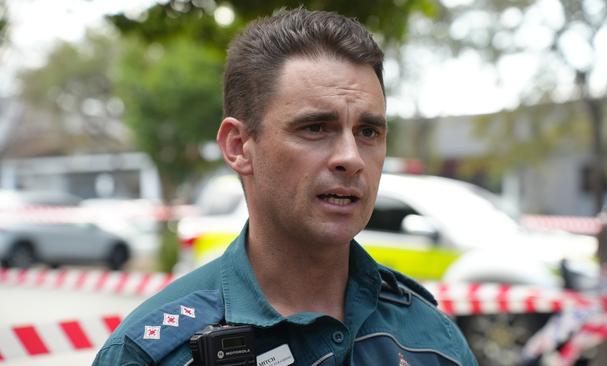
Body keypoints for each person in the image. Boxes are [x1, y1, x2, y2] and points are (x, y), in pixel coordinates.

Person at [93, 8, 477, 366]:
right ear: (238, 146)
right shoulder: (152, 353)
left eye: (368, 131)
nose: (352, 157)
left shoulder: (432, 339)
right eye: (315, 128)